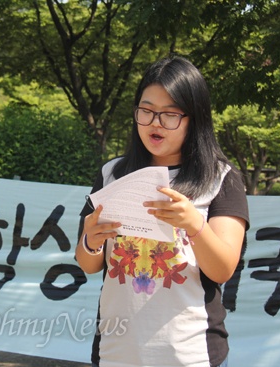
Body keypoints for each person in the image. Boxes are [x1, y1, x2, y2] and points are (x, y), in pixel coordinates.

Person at [76, 56, 249, 367]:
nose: (155, 123)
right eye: (146, 111)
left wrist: (194, 224)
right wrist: (90, 239)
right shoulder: (111, 174)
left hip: (191, 354)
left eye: (169, 114)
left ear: (194, 118)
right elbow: (88, 264)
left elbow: (223, 269)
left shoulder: (220, 178)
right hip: (117, 350)